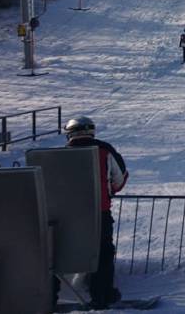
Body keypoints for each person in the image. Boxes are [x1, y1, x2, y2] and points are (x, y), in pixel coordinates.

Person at [62, 116, 128, 308]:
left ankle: (53, 291)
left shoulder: (59, 154)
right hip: (99, 211)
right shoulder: (104, 150)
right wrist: (108, 191)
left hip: (65, 214)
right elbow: (119, 179)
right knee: (103, 251)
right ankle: (102, 294)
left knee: (59, 251)